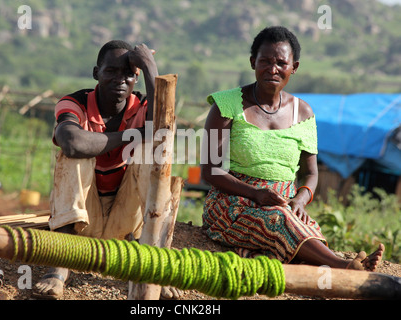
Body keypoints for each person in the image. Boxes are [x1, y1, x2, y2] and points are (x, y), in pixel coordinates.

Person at [201, 26, 384, 271]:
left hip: (284, 202)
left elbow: (311, 173)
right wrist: (256, 194)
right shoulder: (226, 105)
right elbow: (210, 171)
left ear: (294, 68)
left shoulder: (304, 113)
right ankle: (345, 266)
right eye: (264, 61)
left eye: (281, 63)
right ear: (252, 62)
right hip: (233, 201)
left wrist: (300, 200)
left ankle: (333, 267)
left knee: (303, 227)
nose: (272, 69)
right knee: (280, 222)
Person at [33, 40, 180, 299]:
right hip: (81, 223)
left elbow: (162, 131)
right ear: (96, 74)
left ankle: (157, 267)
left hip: (125, 226)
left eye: (129, 74)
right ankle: (58, 269)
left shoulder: (144, 105)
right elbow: (72, 142)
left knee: (152, 150)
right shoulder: (75, 102)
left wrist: (149, 66)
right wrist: (132, 135)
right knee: (73, 154)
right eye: (111, 71)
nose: (120, 79)